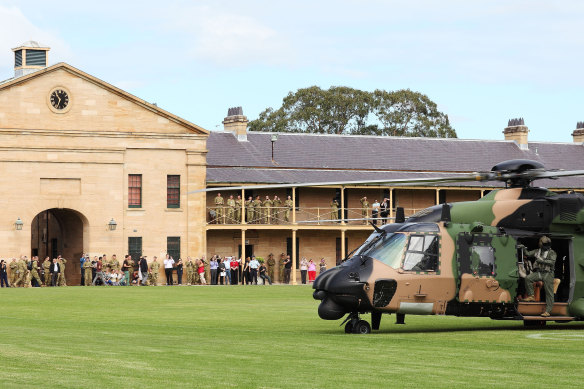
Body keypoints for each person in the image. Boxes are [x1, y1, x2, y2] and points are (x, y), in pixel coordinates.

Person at [519, 236, 557, 317]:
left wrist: (541, 260)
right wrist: (523, 248)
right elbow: (528, 254)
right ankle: (531, 296)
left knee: (549, 293)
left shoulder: (552, 253)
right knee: (528, 278)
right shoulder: (537, 251)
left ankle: (548, 311)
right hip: (539, 272)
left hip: (548, 273)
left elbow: (552, 262)